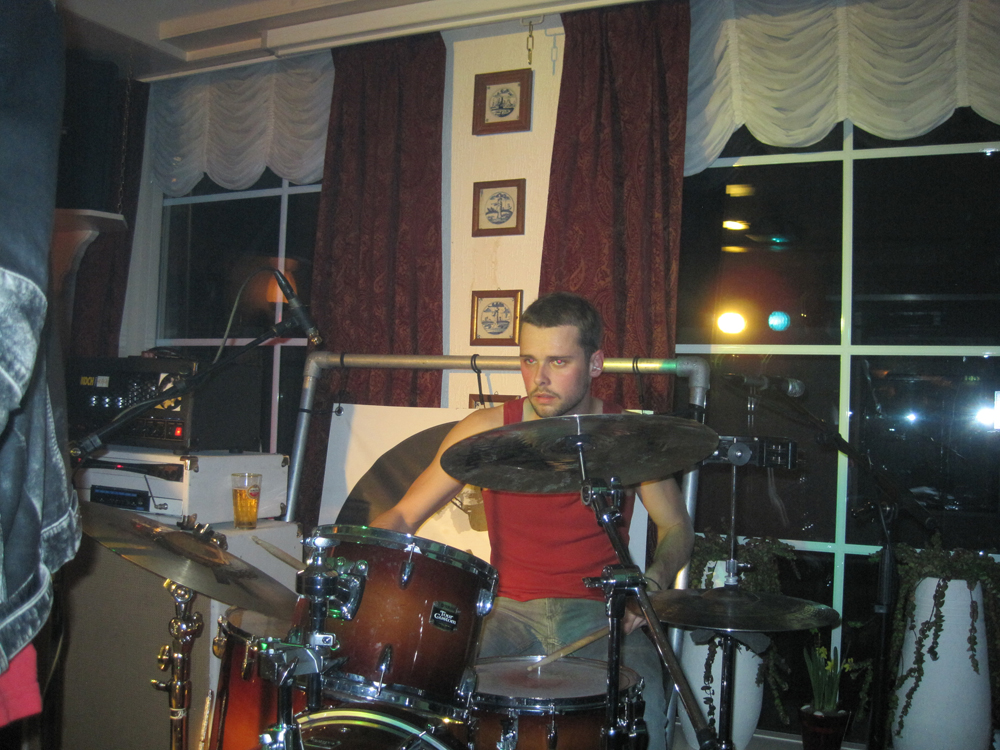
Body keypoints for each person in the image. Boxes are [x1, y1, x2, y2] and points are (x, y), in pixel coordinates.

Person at [371, 291, 693, 750]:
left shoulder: (627, 434)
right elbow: (405, 513)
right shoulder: (487, 430)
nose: (538, 378)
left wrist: (654, 584)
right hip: (504, 611)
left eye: (558, 362)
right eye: (528, 360)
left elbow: (677, 526)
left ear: (595, 363)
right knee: (430, 689)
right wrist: (359, 556)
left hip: (600, 614)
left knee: (645, 709)